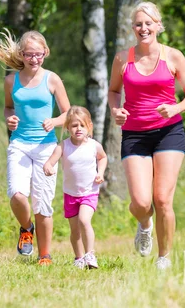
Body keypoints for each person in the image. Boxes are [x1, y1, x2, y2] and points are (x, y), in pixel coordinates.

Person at [108, 1, 185, 270]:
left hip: (169, 132)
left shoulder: (173, 56)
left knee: (162, 199)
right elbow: (114, 91)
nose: (143, 28)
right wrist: (116, 110)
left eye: (148, 23)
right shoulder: (123, 59)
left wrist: (175, 107)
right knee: (140, 202)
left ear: (158, 26)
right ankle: (145, 224)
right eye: (138, 24)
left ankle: (164, 258)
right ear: (132, 28)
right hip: (134, 134)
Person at [0, 29, 70, 266]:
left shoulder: (52, 79)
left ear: (46, 53)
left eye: (39, 54)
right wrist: (9, 118)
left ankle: (45, 255)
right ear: (21, 55)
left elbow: (68, 113)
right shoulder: (10, 81)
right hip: (20, 144)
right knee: (16, 195)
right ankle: (26, 228)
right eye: (29, 54)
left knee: (43, 203)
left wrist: (54, 121)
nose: (34, 59)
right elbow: (8, 108)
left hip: (46, 147)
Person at [43, 106, 107, 269]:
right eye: (74, 125)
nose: (78, 129)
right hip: (70, 193)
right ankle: (78, 258)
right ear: (67, 127)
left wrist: (100, 172)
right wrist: (48, 167)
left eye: (82, 125)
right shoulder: (63, 146)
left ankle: (90, 255)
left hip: (89, 192)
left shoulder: (94, 146)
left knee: (84, 220)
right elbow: (50, 162)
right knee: (74, 229)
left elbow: (103, 157)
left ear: (89, 127)